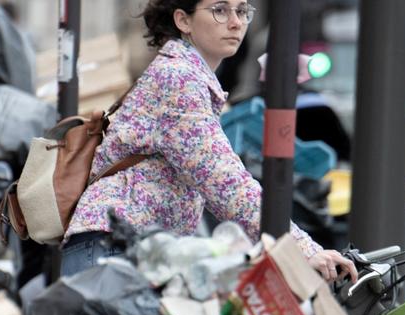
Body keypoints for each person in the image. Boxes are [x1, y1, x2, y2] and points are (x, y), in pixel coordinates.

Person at [61, 0, 358, 284]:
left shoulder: (187, 76)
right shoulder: (177, 80)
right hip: (113, 248)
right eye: (219, 10)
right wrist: (302, 250)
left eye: (242, 11)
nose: (235, 22)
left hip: (130, 248)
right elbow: (225, 182)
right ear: (183, 20)